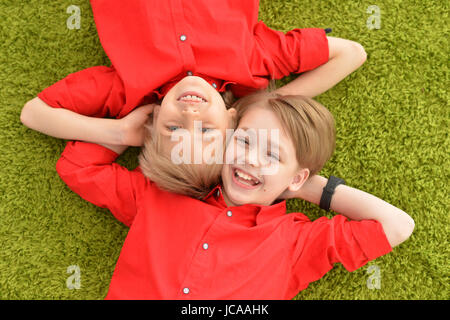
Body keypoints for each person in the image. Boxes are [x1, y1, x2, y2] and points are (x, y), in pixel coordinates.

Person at [53, 91, 414, 299]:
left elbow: (397, 225)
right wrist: (125, 132)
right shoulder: (159, 195)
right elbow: (78, 166)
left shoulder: (296, 240)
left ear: (298, 175)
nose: (251, 159)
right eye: (243, 141)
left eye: (272, 155)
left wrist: (307, 186)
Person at [20, 0, 367, 197]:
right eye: (205, 131)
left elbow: (34, 113)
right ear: (233, 121)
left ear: (152, 121)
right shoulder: (252, 65)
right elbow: (351, 54)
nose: (189, 112)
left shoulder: (126, 88)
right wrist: (266, 104)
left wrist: (121, 134)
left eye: (174, 127)